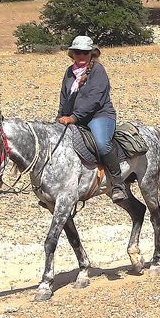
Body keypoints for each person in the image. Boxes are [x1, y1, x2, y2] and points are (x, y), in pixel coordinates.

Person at [57, 35, 126, 201]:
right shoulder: (69, 72)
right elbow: (64, 97)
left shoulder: (98, 71)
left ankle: (118, 184)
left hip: (99, 116)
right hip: (75, 117)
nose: (81, 56)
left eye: (85, 53)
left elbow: (95, 99)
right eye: (77, 52)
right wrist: (60, 117)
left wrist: (74, 117)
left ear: (91, 54)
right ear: (72, 54)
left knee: (102, 144)